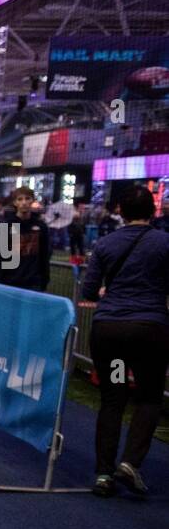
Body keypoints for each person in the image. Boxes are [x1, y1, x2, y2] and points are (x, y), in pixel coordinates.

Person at [81, 185, 169, 497]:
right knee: (148, 397)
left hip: (111, 332)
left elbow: (89, 291)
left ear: (119, 210)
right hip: (149, 330)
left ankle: (104, 474)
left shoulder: (105, 244)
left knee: (113, 398)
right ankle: (131, 462)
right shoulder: (163, 243)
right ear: (153, 211)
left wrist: (107, 293)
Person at [0, 186, 51, 291]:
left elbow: (44, 255)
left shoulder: (41, 226)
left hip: (33, 284)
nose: (24, 202)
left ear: (33, 201)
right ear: (15, 203)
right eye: (20, 199)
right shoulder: (5, 225)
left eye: (27, 198)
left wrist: (44, 281)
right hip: (9, 283)